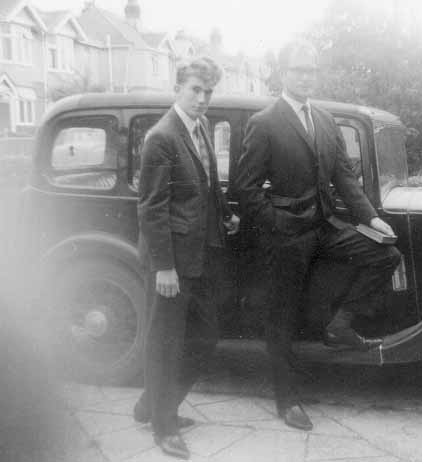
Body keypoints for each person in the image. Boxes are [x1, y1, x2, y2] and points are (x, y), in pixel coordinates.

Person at [234, 40, 401, 431]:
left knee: (385, 255)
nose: (305, 76)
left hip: (325, 227)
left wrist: (372, 219)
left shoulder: (325, 120)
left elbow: (343, 175)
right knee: (282, 316)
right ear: (283, 73)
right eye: (298, 70)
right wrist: (275, 224)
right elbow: (246, 187)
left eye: (311, 70)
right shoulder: (265, 122)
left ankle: (340, 327)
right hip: (285, 235)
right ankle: (287, 400)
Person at [134, 57, 239, 459]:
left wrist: (226, 213)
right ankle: (163, 425)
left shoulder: (201, 128)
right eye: (195, 90)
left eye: (208, 92)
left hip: (198, 256)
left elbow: (207, 182)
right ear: (178, 88)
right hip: (171, 262)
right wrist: (164, 267)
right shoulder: (162, 136)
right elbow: (151, 208)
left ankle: (153, 404)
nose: (202, 99)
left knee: (206, 335)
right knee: (165, 343)